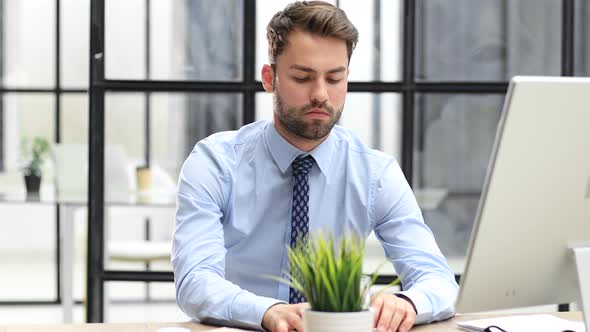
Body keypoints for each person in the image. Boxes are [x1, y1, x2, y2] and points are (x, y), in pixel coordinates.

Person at [172, 1, 458, 331]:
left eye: (334, 78)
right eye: (302, 78)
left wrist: (408, 302)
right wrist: (269, 312)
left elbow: (437, 279)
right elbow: (194, 281)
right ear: (270, 78)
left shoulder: (375, 174)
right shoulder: (215, 163)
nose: (320, 94)